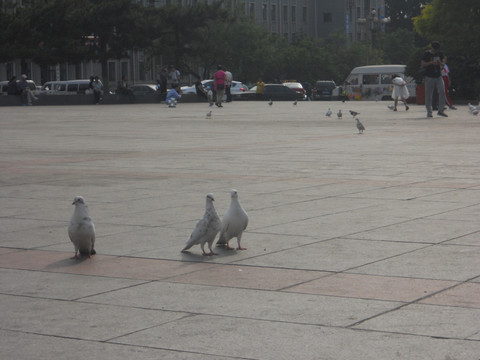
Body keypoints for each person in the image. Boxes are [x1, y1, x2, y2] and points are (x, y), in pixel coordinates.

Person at [421, 41, 448, 117]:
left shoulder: (439, 53)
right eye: (435, 49)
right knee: (429, 94)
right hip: (429, 76)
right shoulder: (427, 54)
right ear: (432, 48)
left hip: (438, 76)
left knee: (442, 91)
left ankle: (441, 110)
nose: (436, 51)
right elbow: (423, 64)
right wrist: (432, 62)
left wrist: (440, 63)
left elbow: (443, 61)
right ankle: (429, 111)